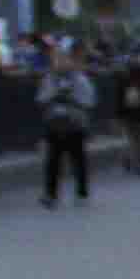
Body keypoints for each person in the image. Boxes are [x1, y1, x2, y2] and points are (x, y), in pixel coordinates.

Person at [36, 47, 96, 208]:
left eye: (64, 59)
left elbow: (89, 100)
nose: (60, 63)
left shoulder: (80, 79)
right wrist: (53, 96)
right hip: (55, 124)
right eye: (57, 60)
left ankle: (81, 192)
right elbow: (41, 99)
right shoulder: (49, 79)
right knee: (52, 161)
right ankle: (51, 194)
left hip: (75, 124)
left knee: (78, 160)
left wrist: (72, 99)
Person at [115, 49, 140, 174]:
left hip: (127, 115)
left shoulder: (123, 81)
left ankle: (128, 160)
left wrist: (118, 115)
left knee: (128, 139)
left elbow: (118, 99)